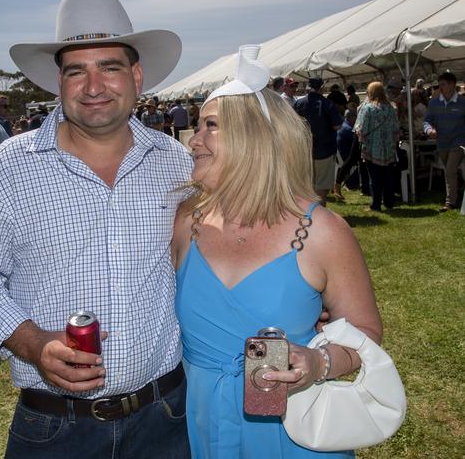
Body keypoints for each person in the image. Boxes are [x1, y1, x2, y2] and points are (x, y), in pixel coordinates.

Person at [0, 0, 191, 458]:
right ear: (58, 82)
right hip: (54, 428)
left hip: (166, 419)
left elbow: (215, 252)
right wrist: (34, 343)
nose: (93, 86)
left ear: (137, 76)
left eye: (110, 67)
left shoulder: (176, 163)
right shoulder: (9, 167)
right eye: (77, 70)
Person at [171, 45, 383, 459]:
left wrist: (317, 363)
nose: (193, 140)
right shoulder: (183, 223)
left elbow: (365, 332)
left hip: (294, 431)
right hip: (200, 425)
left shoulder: (322, 232)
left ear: (256, 139)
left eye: (209, 126)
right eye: (197, 127)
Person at [293, 78, 343, 205]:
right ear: (321, 88)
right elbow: (337, 126)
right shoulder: (328, 104)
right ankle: (319, 211)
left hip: (304, 150)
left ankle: (308, 210)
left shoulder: (298, 103)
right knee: (322, 184)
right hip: (324, 150)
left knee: (307, 182)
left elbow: (291, 125)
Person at [355, 82, 400, 212]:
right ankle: (389, 202)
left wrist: (360, 135)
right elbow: (396, 129)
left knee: (374, 178)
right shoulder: (390, 108)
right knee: (388, 176)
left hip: (372, 148)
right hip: (388, 148)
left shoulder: (368, 108)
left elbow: (361, 129)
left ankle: (376, 205)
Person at [423, 71, 465, 212]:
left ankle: (450, 202)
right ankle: (456, 194)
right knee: (450, 171)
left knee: (450, 170)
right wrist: (429, 130)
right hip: (442, 143)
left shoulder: (462, 102)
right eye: (439, 85)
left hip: (459, 142)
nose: (440, 87)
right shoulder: (434, 103)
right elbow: (427, 121)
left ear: (452, 85)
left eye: (443, 84)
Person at [333, 108, 359, 199]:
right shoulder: (349, 129)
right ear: (351, 117)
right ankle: (350, 183)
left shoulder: (343, 125)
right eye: (356, 116)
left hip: (339, 155)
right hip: (345, 156)